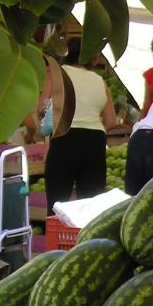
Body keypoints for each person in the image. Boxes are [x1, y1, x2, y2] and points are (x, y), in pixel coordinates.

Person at [44, 38, 118, 215]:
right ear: (92, 57)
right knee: (91, 207)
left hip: (65, 136)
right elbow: (111, 121)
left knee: (57, 204)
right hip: (94, 141)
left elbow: (41, 107)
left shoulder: (58, 73)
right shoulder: (99, 81)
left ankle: (57, 234)